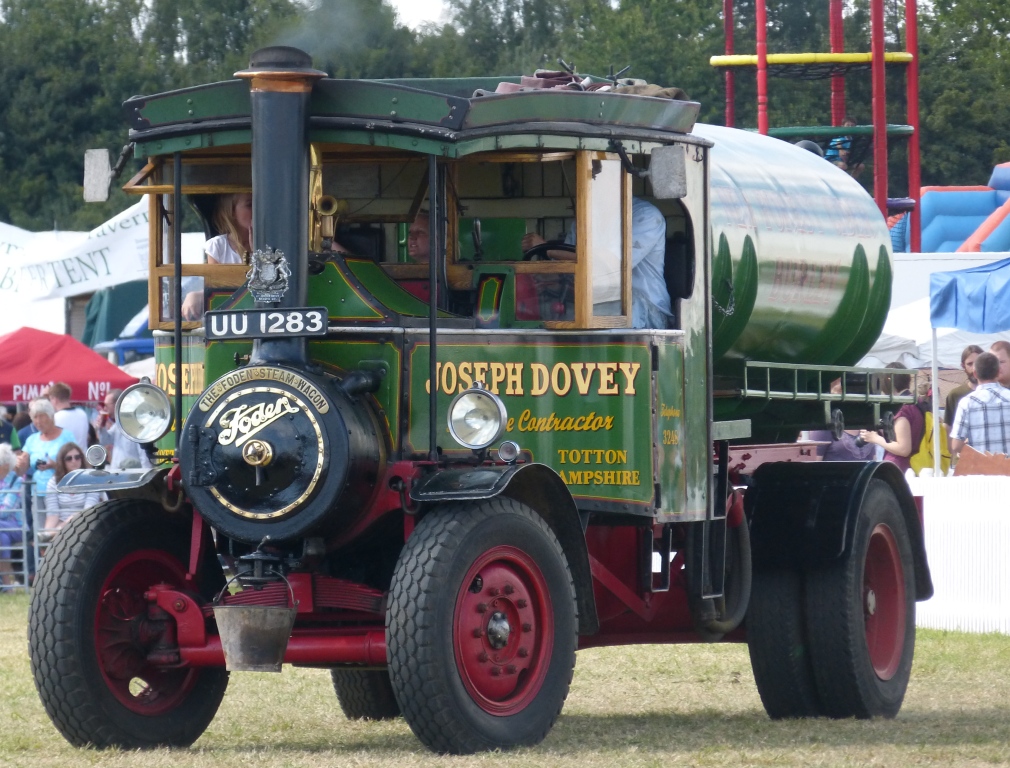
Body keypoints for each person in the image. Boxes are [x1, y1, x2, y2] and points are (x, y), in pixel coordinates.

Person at [521, 197, 673, 328]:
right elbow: (567, 268)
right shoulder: (586, 218)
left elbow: (614, 263)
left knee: (609, 305)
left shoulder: (646, 215)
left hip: (647, 312)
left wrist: (548, 249)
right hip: (594, 304)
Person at [182, 192, 253, 319]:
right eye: (250, 205)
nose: (257, 210)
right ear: (231, 211)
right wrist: (195, 295)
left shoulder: (272, 244)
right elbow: (216, 288)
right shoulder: (217, 247)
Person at [14, 399, 75, 519]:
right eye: (35, 417)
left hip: (62, 492)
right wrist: (19, 463)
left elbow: (77, 464)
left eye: (41, 417)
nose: (38, 422)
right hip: (38, 492)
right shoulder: (32, 440)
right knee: (40, 527)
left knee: (61, 526)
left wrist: (55, 465)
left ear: (51, 416)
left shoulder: (67, 436)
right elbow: (21, 469)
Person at [858, 368, 924, 473]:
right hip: (917, 465)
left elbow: (903, 449)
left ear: (888, 381)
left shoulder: (902, 408)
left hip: (898, 467)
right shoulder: (917, 402)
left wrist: (875, 438)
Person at [949, 351, 1010, 458]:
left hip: (980, 465)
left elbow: (956, 446)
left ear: (975, 374)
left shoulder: (966, 403)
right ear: (998, 371)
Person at [40, 443, 104, 540]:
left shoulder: (91, 479)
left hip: (86, 522)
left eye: (77, 457)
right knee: (49, 538)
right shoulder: (54, 482)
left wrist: (70, 521)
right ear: (62, 461)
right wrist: (47, 531)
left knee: (74, 519)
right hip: (60, 524)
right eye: (69, 458)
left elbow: (89, 510)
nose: (74, 461)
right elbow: (53, 514)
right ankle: (50, 535)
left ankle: (51, 534)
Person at [98, 389, 153, 471]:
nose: (105, 408)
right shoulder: (118, 424)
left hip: (131, 474)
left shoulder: (136, 424)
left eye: (106, 405)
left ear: (117, 403)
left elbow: (144, 456)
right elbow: (105, 441)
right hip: (117, 473)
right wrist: (101, 428)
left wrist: (146, 473)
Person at [0, 444, 25, 587]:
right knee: (2, 537)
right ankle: (7, 585)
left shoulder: (17, 481)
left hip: (17, 527)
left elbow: (6, 510)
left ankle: (6, 583)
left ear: (5, 465)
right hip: (2, 529)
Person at [944, 344, 982, 439]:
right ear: (963, 366)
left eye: (978, 362)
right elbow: (948, 427)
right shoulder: (955, 395)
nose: (974, 368)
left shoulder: (998, 393)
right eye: (970, 364)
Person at [47, 381, 89, 448]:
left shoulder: (55, 418)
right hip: (82, 453)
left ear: (54, 399)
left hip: (63, 454)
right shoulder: (82, 414)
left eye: (50, 399)